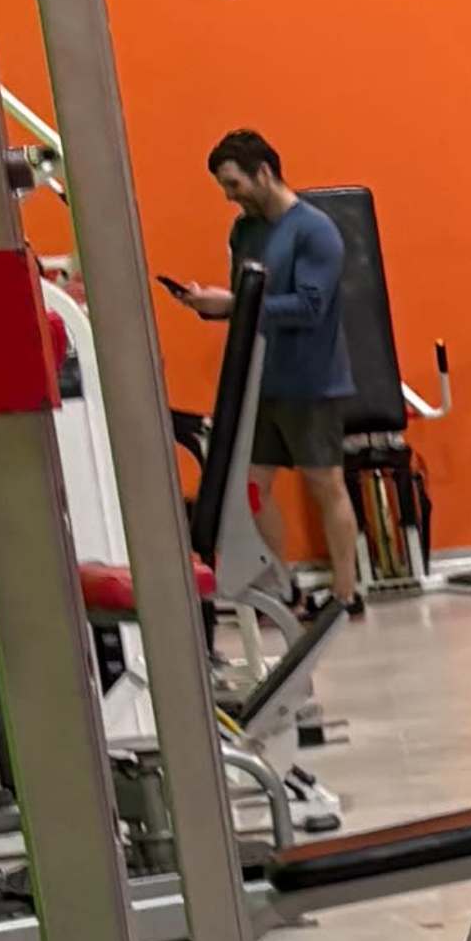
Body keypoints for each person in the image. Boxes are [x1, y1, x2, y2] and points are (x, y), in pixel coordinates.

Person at [169, 128, 362, 608]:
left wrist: (233, 304)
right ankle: (282, 581)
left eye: (235, 185)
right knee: (252, 486)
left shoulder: (315, 231)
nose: (230, 197)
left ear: (264, 172)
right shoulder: (245, 230)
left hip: (312, 380)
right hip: (259, 380)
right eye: (224, 188)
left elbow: (309, 307)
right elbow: (250, 303)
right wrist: (212, 305)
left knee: (324, 483)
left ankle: (346, 589)